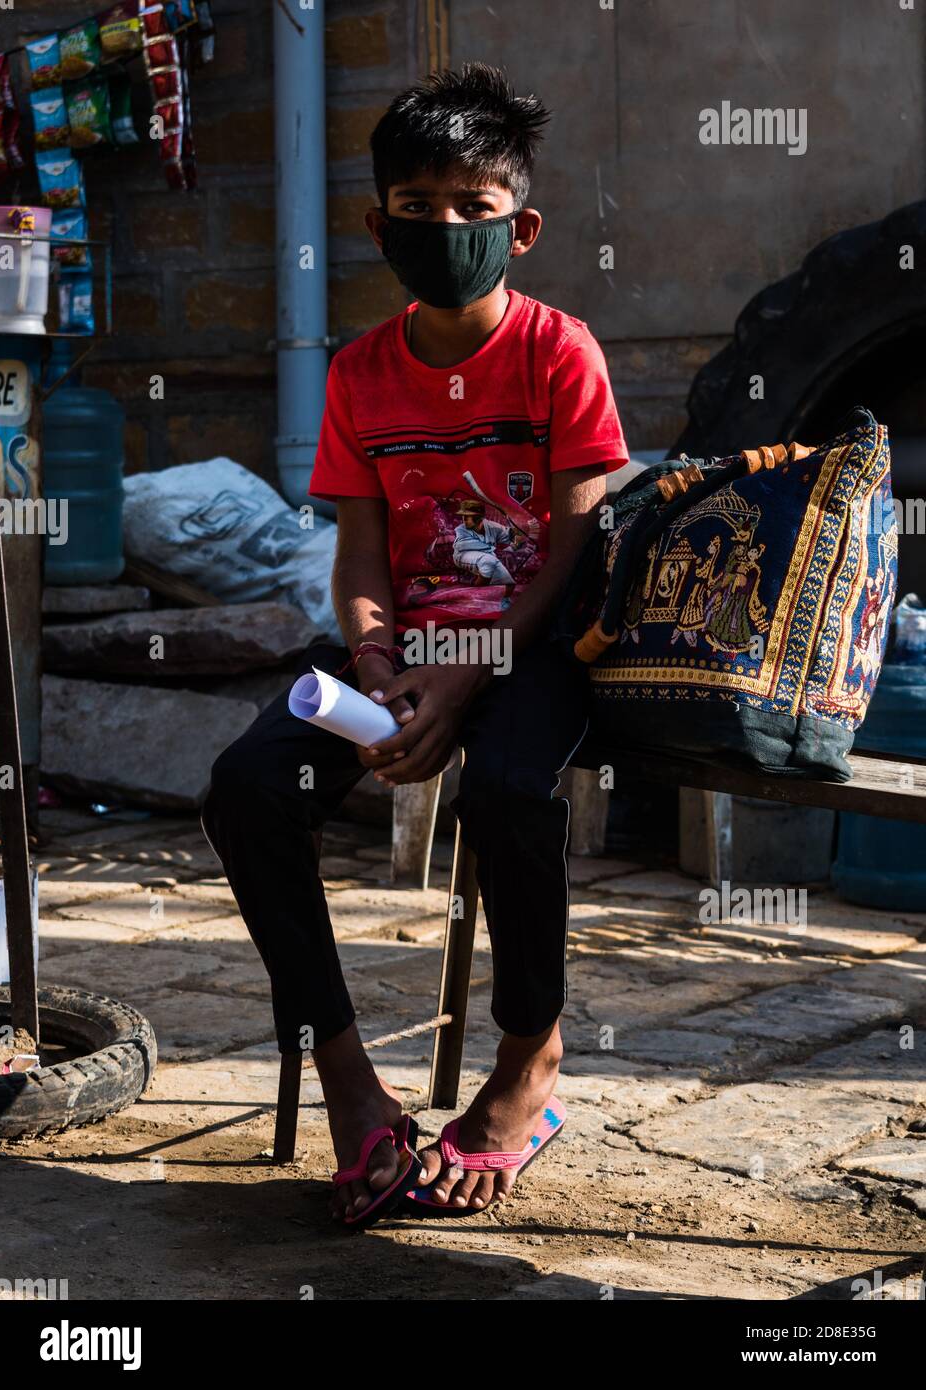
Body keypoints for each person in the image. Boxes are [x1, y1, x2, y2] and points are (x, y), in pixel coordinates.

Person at [202, 62, 629, 1225]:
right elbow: (361, 554)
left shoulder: (558, 353)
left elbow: (582, 540)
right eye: (418, 206)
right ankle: (353, 1088)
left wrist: (472, 663)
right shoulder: (359, 371)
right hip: (411, 650)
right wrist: (381, 666)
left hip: (534, 645)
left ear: (520, 227)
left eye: (472, 208)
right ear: (376, 220)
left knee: (511, 787)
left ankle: (527, 1065)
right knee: (247, 783)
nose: (443, 228)